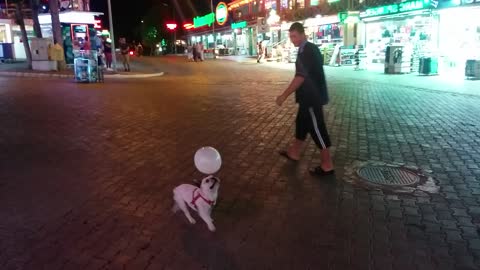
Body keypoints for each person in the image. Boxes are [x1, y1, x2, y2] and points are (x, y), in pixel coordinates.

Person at [276, 22, 334, 176]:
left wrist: (284, 95)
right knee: (301, 124)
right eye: (290, 37)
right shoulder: (307, 49)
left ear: (302, 34)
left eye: (294, 36)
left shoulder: (307, 50)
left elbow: (300, 77)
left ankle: (327, 164)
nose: (293, 39)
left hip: (311, 98)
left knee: (317, 129)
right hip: (307, 97)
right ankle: (294, 152)